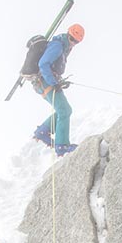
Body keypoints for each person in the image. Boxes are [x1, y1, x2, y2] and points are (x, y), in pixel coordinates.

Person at [31, 23, 85, 155]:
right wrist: (53, 82)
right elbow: (43, 63)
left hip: (44, 82)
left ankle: (43, 131)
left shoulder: (64, 47)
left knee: (64, 110)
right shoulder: (57, 46)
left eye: (76, 42)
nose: (73, 43)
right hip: (44, 82)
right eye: (72, 39)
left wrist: (58, 81)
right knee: (64, 111)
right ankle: (62, 146)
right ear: (68, 34)